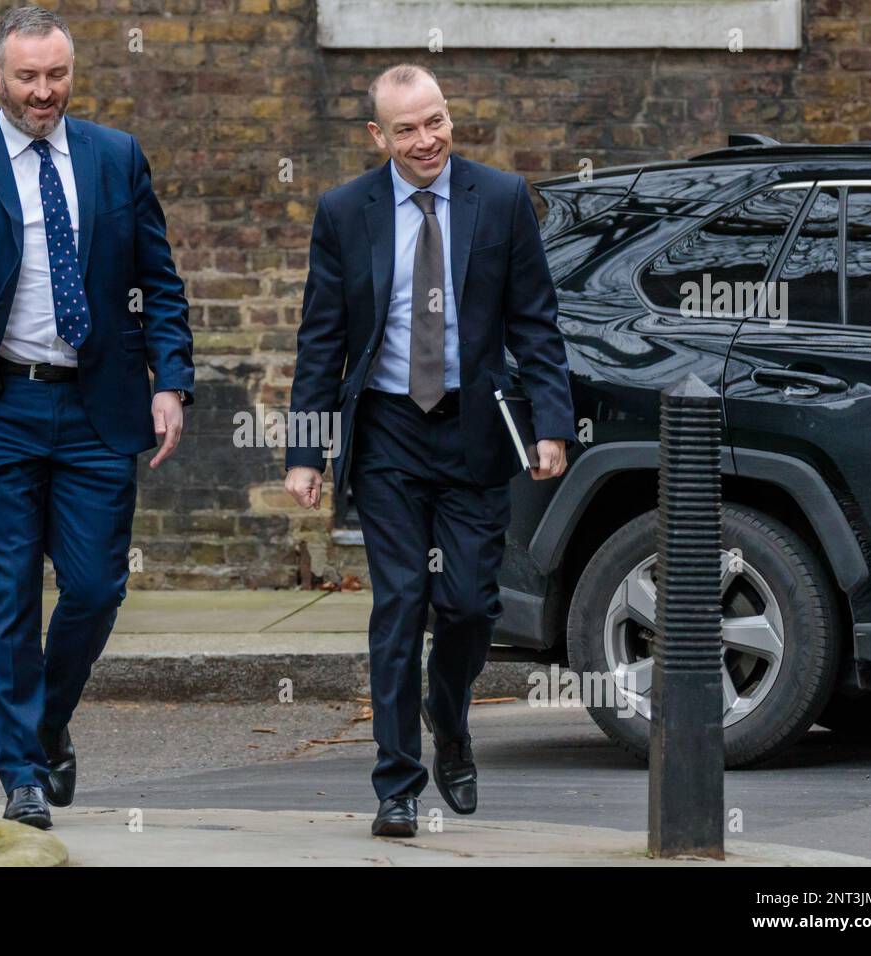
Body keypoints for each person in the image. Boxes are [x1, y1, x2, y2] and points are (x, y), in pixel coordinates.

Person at [0, 6, 193, 829]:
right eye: (28, 77)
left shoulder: (116, 157)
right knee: (11, 591)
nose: (44, 91)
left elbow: (158, 280)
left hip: (100, 405)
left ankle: (49, 719)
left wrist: (173, 381)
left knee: (94, 588)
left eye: (57, 75)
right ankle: (20, 769)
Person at [284, 63, 575, 837]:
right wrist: (306, 451)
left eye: (436, 121)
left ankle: (448, 719)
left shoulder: (502, 198)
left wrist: (552, 424)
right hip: (386, 432)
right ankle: (396, 784)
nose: (426, 140)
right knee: (400, 601)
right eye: (407, 128)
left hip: (473, 432)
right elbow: (321, 338)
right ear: (378, 136)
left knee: (472, 604)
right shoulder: (347, 211)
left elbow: (536, 324)